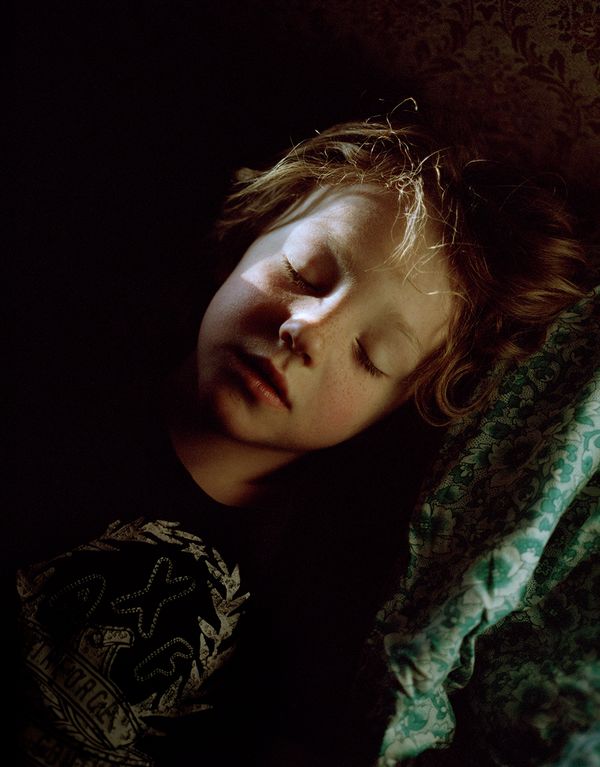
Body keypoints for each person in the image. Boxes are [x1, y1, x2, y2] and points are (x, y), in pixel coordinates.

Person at [15, 116, 594, 766]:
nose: (308, 329)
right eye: (304, 272)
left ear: (396, 409)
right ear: (248, 236)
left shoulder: (317, 593)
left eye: (373, 355)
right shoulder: (48, 371)